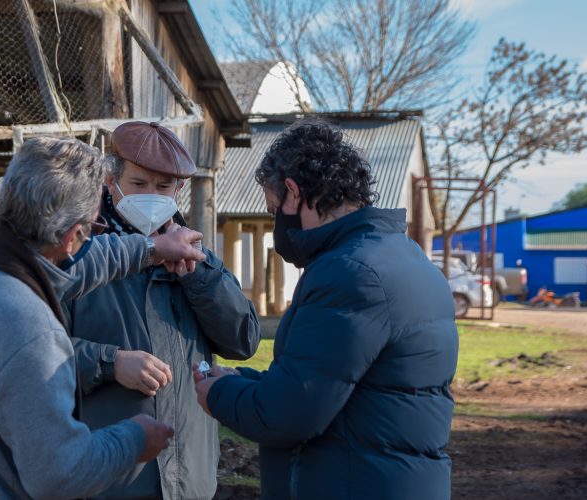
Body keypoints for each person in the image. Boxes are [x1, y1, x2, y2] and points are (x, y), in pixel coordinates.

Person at [0, 136, 208, 499]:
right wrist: (134, 438)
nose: (93, 237)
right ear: (73, 235)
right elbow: (60, 473)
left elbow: (73, 264)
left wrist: (151, 248)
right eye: (92, 229)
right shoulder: (32, 331)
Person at [193, 120, 459, 499]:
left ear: (293, 192)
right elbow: (331, 381)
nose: (276, 225)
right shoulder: (406, 258)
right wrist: (241, 379)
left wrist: (216, 394)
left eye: (273, 211)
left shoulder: (351, 272)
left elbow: (290, 414)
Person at [65, 121, 261, 499]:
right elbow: (34, 353)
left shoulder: (199, 260)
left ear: (179, 190)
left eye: (163, 186)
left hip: (189, 481)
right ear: (111, 181)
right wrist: (110, 362)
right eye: (139, 185)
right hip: (110, 480)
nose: (151, 195)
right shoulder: (80, 257)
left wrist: (200, 278)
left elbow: (244, 340)